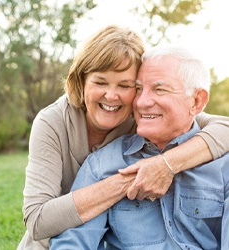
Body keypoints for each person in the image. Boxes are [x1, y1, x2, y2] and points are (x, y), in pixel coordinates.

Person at [18, 25, 229, 250]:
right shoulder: (56, 125)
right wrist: (133, 178)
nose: (112, 95)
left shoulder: (142, 115)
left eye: (127, 86)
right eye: (100, 82)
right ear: (81, 81)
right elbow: (39, 221)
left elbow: (220, 126)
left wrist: (165, 164)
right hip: (46, 236)